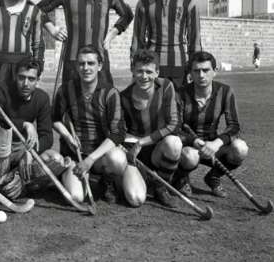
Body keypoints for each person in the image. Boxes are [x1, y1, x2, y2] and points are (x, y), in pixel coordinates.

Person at [38, 0, 133, 86]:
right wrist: (53, 30)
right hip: (73, 62)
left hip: (100, 60)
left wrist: (112, 34)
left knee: (103, 97)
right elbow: (38, 10)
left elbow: (127, 14)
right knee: (71, 98)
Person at [54, 45, 129, 204]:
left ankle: (106, 182)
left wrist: (90, 160)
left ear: (99, 66)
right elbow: (54, 119)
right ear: (77, 66)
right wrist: (67, 137)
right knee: (76, 197)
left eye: (91, 63)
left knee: (118, 159)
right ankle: (67, 174)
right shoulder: (66, 90)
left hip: (99, 155)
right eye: (81, 64)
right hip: (75, 154)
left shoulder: (110, 93)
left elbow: (117, 133)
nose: (86, 68)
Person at [0, 57, 66, 199]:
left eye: (31, 79)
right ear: (15, 76)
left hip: (23, 149)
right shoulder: (0, 89)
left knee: (56, 160)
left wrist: (30, 152)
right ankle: (0, 185)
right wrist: (25, 124)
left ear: (38, 80)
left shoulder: (42, 98)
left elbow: (47, 137)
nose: (25, 83)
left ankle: (19, 180)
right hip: (0, 148)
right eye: (21, 78)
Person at [175, 51, 248, 198]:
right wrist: (194, 141)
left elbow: (234, 126)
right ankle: (182, 178)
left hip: (213, 145)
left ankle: (213, 177)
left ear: (215, 71)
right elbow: (175, 128)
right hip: (189, 146)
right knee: (189, 156)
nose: (201, 75)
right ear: (190, 73)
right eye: (196, 71)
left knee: (241, 148)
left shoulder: (225, 91)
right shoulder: (180, 93)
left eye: (206, 70)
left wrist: (216, 143)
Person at [120, 49, 182, 207]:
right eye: (139, 71)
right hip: (134, 152)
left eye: (149, 71)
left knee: (174, 143)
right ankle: (125, 179)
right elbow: (119, 131)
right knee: (135, 199)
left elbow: (174, 124)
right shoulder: (124, 96)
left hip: (157, 148)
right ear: (132, 70)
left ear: (157, 72)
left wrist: (142, 142)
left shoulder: (166, 86)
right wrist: (129, 145)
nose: (144, 76)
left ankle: (160, 187)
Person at [131, 0, 201, 87]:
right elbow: (137, 41)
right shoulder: (144, 3)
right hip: (151, 68)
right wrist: (135, 70)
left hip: (180, 67)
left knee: (179, 101)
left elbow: (195, 40)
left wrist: (195, 69)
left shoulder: (188, 2)